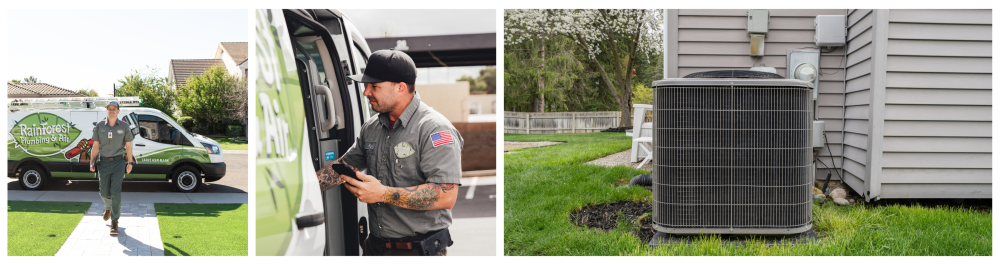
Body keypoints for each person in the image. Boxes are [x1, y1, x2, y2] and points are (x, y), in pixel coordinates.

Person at [319, 49, 463, 256]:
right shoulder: (371, 128)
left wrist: (383, 194)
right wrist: (299, 191)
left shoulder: (435, 129)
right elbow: (343, 166)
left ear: (401, 88)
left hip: (419, 252)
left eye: (374, 86)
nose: (366, 92)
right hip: (374, 248)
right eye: (366, 85)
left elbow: (445, 195)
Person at [89, 101, 134, 236]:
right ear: (107, 111)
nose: (112, 111)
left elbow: (128, 146)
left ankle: (114, 222)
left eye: (114, 109)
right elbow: (95, 146)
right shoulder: (100, 126)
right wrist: (92, 162)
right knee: (103, 193)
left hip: (118, 163)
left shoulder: (124, 126)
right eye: (109, 109)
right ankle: (108, 207)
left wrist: (130, 163)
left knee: (116, 192)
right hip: (103, 163)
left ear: (118, 111)